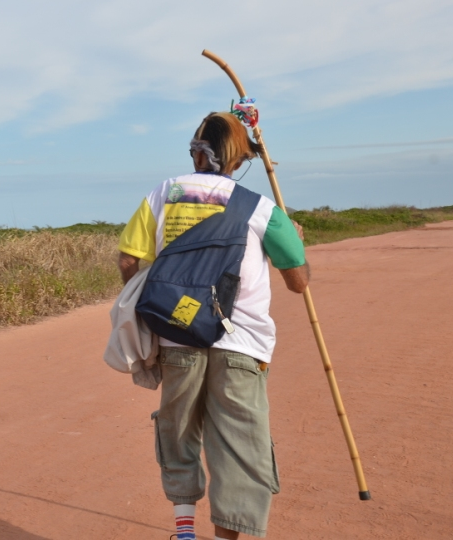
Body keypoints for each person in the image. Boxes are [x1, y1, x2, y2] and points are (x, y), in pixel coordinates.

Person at [117, 112, 309, 540]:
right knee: (239, 445)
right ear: (238, 159)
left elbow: (130, 261)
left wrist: (155, 312)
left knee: (179, 431)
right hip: (241, 343)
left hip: (176, 335)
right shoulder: (261, 207)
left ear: (195, 153)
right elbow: (298, 281)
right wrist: (294, 239)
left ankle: (185, 531)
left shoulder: (162, 194)